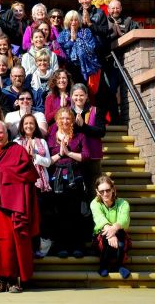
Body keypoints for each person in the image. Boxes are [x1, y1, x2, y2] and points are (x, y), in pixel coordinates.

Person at [0, 120, 39, 293]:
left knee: (14, 244)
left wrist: (1, 174)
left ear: (7, 134)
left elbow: (26, 176)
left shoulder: (17, 151)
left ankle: (15, 280)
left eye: (1, 133)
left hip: (13, 206)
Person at [46, 108, 89, 258]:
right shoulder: (50, 139)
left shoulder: (80, 136)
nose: (65, 121)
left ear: (72, 120)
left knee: (75, 213)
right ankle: (61, 246)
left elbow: (86, 156)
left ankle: (77, 246)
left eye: (68, 118)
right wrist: (60, 154)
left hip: (74, 178)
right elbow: (47, 161)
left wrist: (69, 153)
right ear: (57, 120)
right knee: (59, 214)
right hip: (56, 179)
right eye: (62, 118)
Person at [14, 113, 53, 257]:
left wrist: (35, 156)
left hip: (41, 185)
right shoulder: (16, 142)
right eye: (26, 124)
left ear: (35, 126)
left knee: (40, 217)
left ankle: (40, 247)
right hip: (24, 186)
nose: (29, 126)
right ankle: (27, 247)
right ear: (22, 127)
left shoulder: (41, 142)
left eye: (31, 123)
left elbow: (48, 162)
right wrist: (26, 157)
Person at [91, 175, 131, 279]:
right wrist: (111, 234)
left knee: (121, 235)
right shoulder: (95, 203)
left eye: (108, 190)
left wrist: (114, 229)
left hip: (119, 236)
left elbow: (124, 220)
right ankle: (103, 266)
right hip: (101, 237)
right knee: (105, 236)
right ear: (97, 192)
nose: (105, 194)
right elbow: (99, 219)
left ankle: (120, 265)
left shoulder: (123, 203)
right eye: (101, 191)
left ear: (113, 189)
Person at [58, 10, 101, 95]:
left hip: (85, 65)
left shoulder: (86, 32)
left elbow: (92, 47)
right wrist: (72, 40)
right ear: (67, 21)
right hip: (69, 66)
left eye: (76, 20)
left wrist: (80, 42)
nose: (73, 22)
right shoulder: (63, 34)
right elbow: (62, 50)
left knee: (83, 90)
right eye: (71, 20)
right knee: (71, 89)